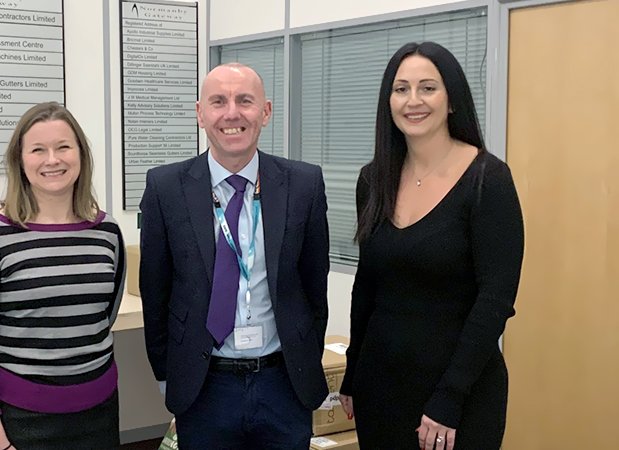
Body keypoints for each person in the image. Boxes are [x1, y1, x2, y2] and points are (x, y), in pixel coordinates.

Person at [338, 42, 524, 450]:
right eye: (401, 89)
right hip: (380, 385)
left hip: (459, 393)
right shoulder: (374, 179)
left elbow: (495, 299)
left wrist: (450, 398)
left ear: (452, 98)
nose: (413, 101)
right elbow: (366, 285)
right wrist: (352, 373)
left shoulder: (487, 180)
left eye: (428, 88)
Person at [139, 62, 330, 450]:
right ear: (199, 114)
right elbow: (154, 292)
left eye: (245, 101)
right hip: (204, 385)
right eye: (218, 101)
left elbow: (315, 287)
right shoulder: (165, 187)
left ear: (266, 111)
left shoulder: (304, 184)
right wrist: (167, 375)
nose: (232, 113)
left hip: (283, 384)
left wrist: (303, 358)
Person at [0, 102, 126, 450]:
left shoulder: (106, 232)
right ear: (20, 160)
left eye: (63, 147)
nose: (52, 160)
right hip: (19, 422)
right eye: (38, 150)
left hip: (98, 416)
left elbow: (101, 319)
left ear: (81, 155)